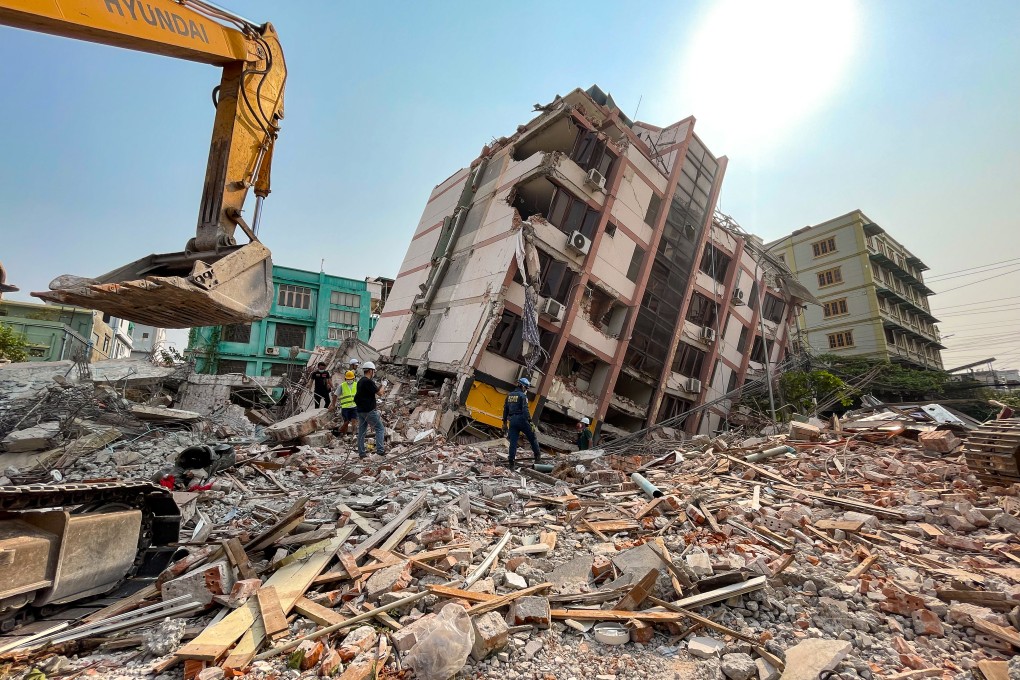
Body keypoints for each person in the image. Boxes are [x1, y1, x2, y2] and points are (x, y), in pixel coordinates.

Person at [502, 377, 541, 469]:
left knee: (513, 442)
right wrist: (530, 422)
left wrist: (504, 423)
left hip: (512, 421)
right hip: (522, 419)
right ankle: (538, 457)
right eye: (526, 388)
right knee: (532, 437)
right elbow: (525, 410)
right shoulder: (523, 396)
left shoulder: (509, 395)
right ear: (523, 386)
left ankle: (511, 463)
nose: (526, 390)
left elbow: (505, 410)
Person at [355, 361, 387, 458]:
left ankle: (362, 453)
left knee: (362, 431)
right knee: (380, 428)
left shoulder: (360, 381)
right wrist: (384, 384)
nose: (374, 373)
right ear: (370, 371)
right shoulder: (368, 382)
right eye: (373, 371)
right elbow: (380, 393)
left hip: (360, 411)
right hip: (369, 411)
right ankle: (380, 451)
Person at [330, 370, 359, 435]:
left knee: (354, 421)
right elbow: (335, 395)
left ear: (353, 378)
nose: (349, 380)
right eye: (348, 379)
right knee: (346, 422)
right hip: (345, 407)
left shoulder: (356, 385)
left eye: (351, 379)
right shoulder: (342, 386)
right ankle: (344, 434)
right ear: (345, 378)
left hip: (354, 406)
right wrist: (333, 405)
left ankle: (353, 434)